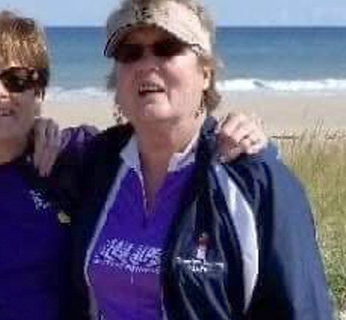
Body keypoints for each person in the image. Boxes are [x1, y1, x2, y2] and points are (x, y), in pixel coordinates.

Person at [0, 9, 270, 320]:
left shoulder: (79, 161)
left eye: (17, 79)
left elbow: (170, 135)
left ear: (39, 95)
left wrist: (242, 133)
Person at [65, 0, 334, 319]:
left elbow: (302, 308)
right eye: (130, 53)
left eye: (167, 48)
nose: (146, 64)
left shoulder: (252, 179)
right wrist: (37, 130)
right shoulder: (96, 163)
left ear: (205, 73)